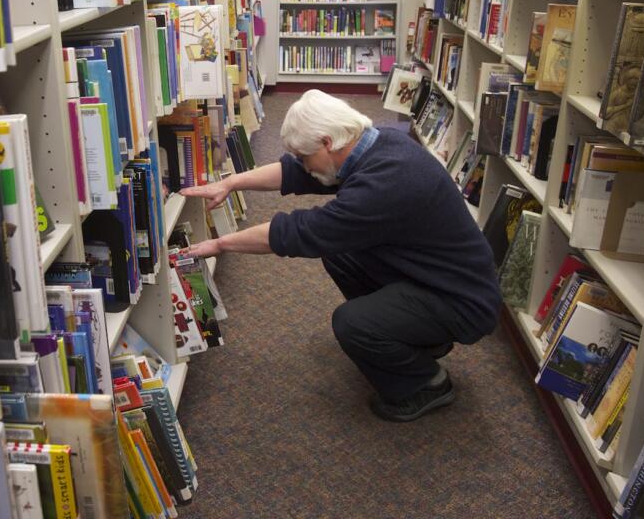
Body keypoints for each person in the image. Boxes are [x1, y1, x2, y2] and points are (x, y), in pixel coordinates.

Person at [180, 90, 501, 422]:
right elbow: (296, 172)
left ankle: (425, 384)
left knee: (352, 322)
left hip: (464, 302)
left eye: (305, 156)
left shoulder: (385, 184)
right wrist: (230, 184)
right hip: (437, 274)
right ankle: (411, 339)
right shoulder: (377, 143)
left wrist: (219, 245)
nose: (303, 165)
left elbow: (301, 231)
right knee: (342, 253)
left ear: (327, 142)